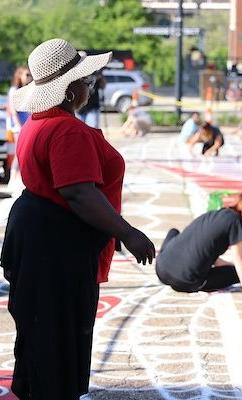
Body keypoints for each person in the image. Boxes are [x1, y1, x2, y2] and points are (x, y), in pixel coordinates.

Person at [0, 38, 155, 400]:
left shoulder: (39, 124)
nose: (91, 87)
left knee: (40, 336)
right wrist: (127, 233)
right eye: (86, 81)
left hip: (39, 234)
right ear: (70, 91)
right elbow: (79, 193)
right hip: (56, 246)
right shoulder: (67, 131)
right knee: (59, 337)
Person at [156, 193, 242, 299]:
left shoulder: (213, 215)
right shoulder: (234, 221)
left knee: (173, 232)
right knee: (235, 274)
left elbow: (210, 256)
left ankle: (163, 255)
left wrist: (231, 265)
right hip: (185, 281)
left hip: (161, 270)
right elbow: (239, 258)